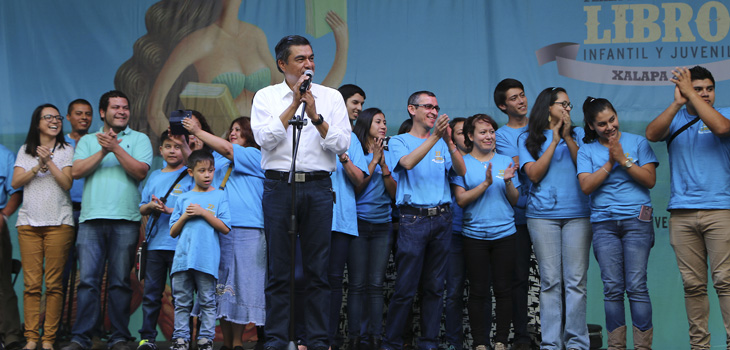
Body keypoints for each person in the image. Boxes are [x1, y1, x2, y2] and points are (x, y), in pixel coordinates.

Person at [116, 0, 349, 137]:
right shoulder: (198, 42)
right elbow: (155, 110)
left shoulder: (255, 36)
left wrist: (342, 46)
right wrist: (185, 148)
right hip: (218, 151)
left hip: (261, 147)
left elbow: (300, 93)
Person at [250, 35, 351, 350]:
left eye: (311, 58)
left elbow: (342, 144)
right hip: (279, 186)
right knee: (279, 270)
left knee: (317, 271)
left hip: (319, 187)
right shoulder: (266, 97)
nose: (309, 64)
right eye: (300, 59)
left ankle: (318, 340)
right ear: (282, 64)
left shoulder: (331, 97)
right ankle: (278, 340)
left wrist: (315, 115)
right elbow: (264, 140)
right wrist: (294, 103)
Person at [645, 65, 730, 349]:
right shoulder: (677, 116)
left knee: (725, 282)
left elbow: (721, 128)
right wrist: (677, 102)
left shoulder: (725, 114)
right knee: (693, 286)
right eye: (698, 88)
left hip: (720, 210)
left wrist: (691, 96)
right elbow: (652, 134)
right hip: (681, 213)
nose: (705, 94)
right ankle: (700, 346)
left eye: (709, 89)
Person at [63, 90, 153, 350]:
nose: (122, 111)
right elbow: (77, 172)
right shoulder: (89, 140)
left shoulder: (139, 138)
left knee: (120, 282)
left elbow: (140, 171)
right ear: (103, 112)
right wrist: (104, 151)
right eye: (115, 107)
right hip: (90, 220)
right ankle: (81, 338)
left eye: (125, 107)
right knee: (88, 281)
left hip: (125, 220)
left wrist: (115, 148)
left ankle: (119, 337)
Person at [381, 90, 466, 350]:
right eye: (427, 106)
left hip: (441, 218)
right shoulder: (398, 141)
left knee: (435, 288)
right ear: (411, 109)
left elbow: (461, 171)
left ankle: (429, 342)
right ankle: (392, 343)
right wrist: (435, 138)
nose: (433, 111)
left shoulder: (442, 142)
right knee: (405, 288)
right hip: (413, 219)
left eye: (436, 107)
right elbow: (406, 163)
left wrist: (449, 143)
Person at [578, 97, 658, 350]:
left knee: (636, 286)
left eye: (612, 119)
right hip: (604, 224)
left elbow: (649, 180)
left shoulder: (638, 142)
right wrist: (610, 162)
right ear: (591, 126)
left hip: (637, 220)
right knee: (612, 288)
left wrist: (624, 159)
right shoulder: (586, 150)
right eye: (601, 124)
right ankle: (616, 346)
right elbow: (586, 186)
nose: (609, 126)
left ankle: (642, 347)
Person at [182, 115, 267, 350]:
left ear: (250, 134)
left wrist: (198, 130)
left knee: (241, 283)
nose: (233, 133)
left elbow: (229, 149)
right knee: (221, 284)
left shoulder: (255, 154)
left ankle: (237, 342)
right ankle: (228, 343)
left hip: (248, 227)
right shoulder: (217, 159)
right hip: (218, 226)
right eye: (231, 129)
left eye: (239, 130)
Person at [518, 87, 591, 350]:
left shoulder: (581, 134)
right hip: (542, 216)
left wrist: (568, 136)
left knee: (576, 281)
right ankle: (551, 343)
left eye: (570, 105)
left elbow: (582, 165)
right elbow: (534, 174)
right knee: (550, 281)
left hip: (578, 214)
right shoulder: (529, 137)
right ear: (548, 107)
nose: (568, 108)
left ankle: (576, 343)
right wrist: (554, 139)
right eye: (563, 104)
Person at [451, 114, 520, 350]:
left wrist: (509, 182)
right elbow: (460, 200)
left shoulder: (505, 161)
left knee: (503, 289)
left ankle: (501, 341)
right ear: (471, 136)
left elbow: (515, 200)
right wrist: (485, 184)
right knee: (478, 291)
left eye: (491, 131)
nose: (489, 136)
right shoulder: (461, 163)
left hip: (505, 235)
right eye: (483, 132)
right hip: (474, 236)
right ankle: (480, 343)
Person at [10, 104, 74, 350]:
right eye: (48, 117)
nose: (54, 121)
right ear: (37, 123)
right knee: (32, 284)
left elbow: (67, 183)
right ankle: (31, 338)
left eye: (57, 117)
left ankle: (48, 339)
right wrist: (38, 165)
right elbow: (16, 181)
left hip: (59, 222)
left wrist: (50, 162)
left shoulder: (67, 149)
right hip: (28, 223)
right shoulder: (25, 150)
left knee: (55, 284)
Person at [136, 131, 195, 348]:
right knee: (152, 295)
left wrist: (171, 210)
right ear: (160, 150)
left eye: (177, 146)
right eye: (168, 146)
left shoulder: (190, 175)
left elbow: (194, 205)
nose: (172, 150)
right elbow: (142, 208)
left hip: (181, 246)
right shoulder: (154, 176)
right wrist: (151, 207)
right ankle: (147, 338)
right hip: (155, 246)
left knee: (182, 296)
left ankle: (182, 338)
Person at [169, 150, 231, 350]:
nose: (207, 175)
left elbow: (225, 227)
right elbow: (172, 231)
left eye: (210, 170)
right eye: (202, 170)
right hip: (182, 259)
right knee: (182, 302)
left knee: (207, 301)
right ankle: (181, 339)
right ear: (190, 172)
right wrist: (185, 216)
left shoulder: (220, 196)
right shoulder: (183, 198)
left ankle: (206, 339)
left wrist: (204, 213)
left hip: (207, 259)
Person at [350, 107, 397, 350]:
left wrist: (385, 166)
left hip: (382, 225)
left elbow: (394, 195)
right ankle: (354, 337)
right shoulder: (356, 153)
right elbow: (355, 188)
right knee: (357, 284)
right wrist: (374, 161)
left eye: (385, 121)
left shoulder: (390, 153)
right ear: (366, 124)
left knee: (376, 284)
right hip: (358, 223)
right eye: (378, 121)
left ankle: (375, 338)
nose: (383, 125)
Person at [493, 78, 533, 350]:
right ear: (502, 106)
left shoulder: (540, 127)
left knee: (560, 279)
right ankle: (521, 337)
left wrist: (524, 161)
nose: (521, 101)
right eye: (514, 98)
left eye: (522, 95)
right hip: (518, 217)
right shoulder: (502, 136)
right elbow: (514, 168)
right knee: (518, 278)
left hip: (550, 212)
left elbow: (525, 164)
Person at [328, 85, 368, 350]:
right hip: (312, 220)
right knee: (308, 281)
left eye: (362, 104)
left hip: (341, 220)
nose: (359, 109)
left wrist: (344, 159)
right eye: (355, 102)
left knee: (333, 282)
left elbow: (360, 182)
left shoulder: (352, 139)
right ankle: (308, 337)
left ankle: (329, 339)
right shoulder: (313, 129)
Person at [442, 117, 469, 350]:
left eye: (468, 131)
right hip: (453, 233)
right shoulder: (447, 160)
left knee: (482, 291)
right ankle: (453, 343)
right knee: (453, 292)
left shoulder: (490, 160)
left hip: (481, 234)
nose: (465, 136)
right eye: (460, 132)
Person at [0, 142, 22, 350]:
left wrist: (4, 216)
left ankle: (11, 335)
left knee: (2, 282)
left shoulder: (5, 155)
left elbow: (16, 191)